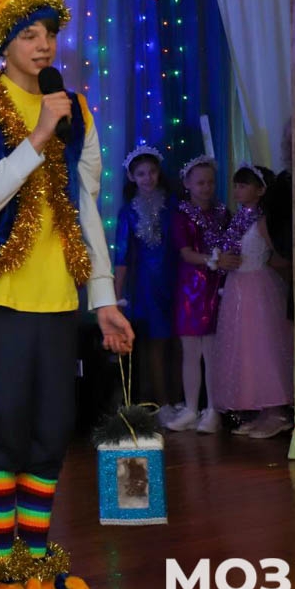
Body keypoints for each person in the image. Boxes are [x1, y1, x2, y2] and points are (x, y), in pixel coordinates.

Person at [0, 0, 134, 589]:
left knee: (51, 435)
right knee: (3, 437)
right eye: (29, 34)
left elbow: (85, 209)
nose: (44, 45)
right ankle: (2, 575)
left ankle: (37, 564)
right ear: (2, 45)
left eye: (48, 33)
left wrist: (103, 300)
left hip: (59, 301)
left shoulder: (75, 108)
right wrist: (37, 136)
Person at [210, 165, 294, 438]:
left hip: (258, 287)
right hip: (237, 287)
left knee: (264, 346)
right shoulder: (238, 219)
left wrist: (267, 264)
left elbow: (281, 253)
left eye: (244, 185)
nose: (237, 190)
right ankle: (259, 409)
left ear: (260, 190)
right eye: (236, 185)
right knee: (245, 348)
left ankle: (277, 411)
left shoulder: (262, 220)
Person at [166, 156, 236, 433]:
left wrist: (224, 261)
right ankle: (191, 408)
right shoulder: (181, 215)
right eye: (200, 183)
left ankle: (213, 409)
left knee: (212, 351)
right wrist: (213, 260)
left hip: (217, 287)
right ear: (187, 184)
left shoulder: (222, 213)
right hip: (191, 289)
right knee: (191, 352)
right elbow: (185, 253)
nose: (206, 187)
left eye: (210, 182)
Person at [114, 146, 179, 413]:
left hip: (177, 279)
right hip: (146, 285)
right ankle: (162, 403)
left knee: (181, 340)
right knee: (155, 341)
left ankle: (182, 400)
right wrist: (116, 296)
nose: (147, 178)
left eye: (152, 172)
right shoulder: (128, 212)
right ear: (132, 177)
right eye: (141, 173)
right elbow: (121, 255)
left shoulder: (173, 206)